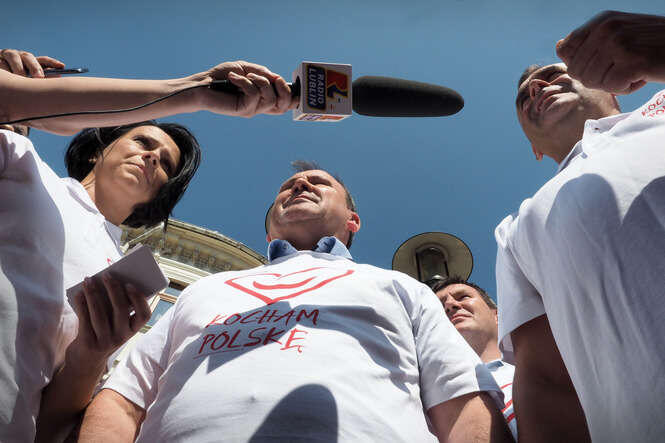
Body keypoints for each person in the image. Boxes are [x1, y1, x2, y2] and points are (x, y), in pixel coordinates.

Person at [79, 161, 513, 442]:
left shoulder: (400, 288)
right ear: (270, 228)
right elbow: (122, 399)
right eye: (287, 187)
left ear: (353, 221)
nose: (300, 184)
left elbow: (463, 403)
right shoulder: (202, 290)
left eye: (319, 183)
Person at [0, 49, 295, 442]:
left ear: (160, 195)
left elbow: (51, 428)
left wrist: (91, 355)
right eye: (141, 140)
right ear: (97, 148)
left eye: (167, 165)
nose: (153, 157)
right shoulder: (21, 162)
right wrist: (195, 90)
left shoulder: (121, 277)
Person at [496, 10, 665, 443]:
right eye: (525, 97)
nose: (537, 88)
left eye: (554, 75)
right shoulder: (516, 230)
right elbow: (546, 381)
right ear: (534, 149)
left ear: (615, 88)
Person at [433, 277, 516, 440]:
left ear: (497, 315)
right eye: (438, 308)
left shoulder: (545, 367)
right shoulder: (428, 406)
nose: (450, 305)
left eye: (463, 297)